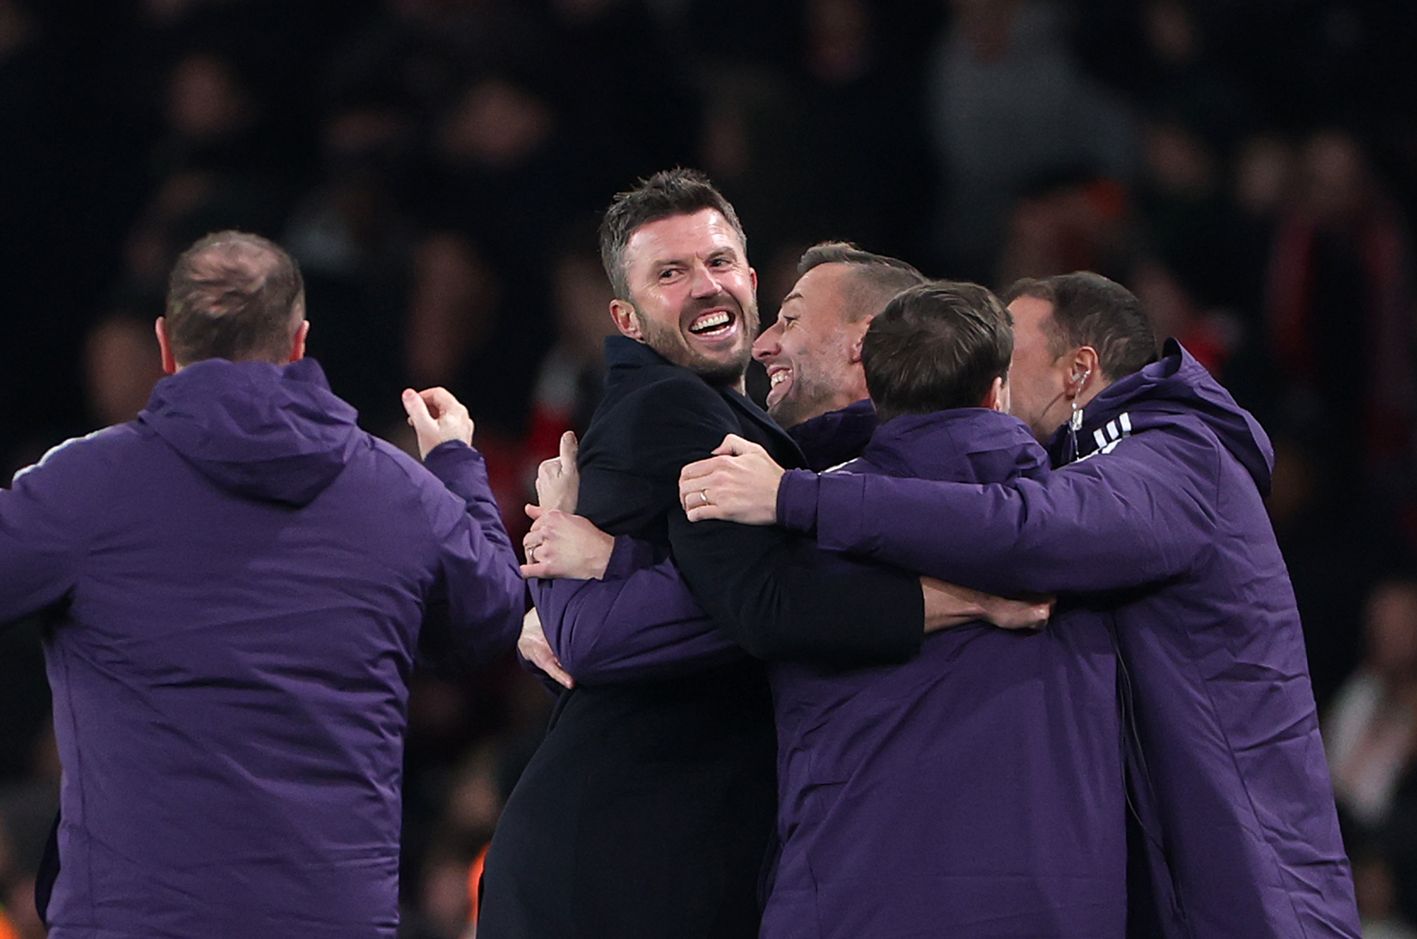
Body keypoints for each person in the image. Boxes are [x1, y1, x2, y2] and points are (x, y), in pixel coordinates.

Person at [681, 271, 1362, 938]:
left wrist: (793, 495)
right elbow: (935, 433)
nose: (995, 369)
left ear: (1078, 370)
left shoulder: (1179, 457)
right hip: (1182, 876)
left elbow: (1029, 528)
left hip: (1254, 889)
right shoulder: (1092, 462)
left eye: (1009, 345)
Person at [518, 258, 1121, 937]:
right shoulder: (1086, 521)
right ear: (996, 388)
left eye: (793, 317)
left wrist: (571, 579)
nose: (766, 341)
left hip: (851, 905)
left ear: (869, 345)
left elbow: (659, 624)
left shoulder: (804, 527)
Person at [477, 173, 996, 939]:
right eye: (670, 273)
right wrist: (958, 599)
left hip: (644, 853)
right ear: (626, 317)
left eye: (718, 262)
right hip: (627, 862)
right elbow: (761, 600)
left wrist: (610, 567)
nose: (703, 287)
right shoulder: (676, 406)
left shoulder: (756, 429)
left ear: (750, 279)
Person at [0, 231, 525, 938]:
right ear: (299, 342)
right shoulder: (399, 490)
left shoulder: (82, 488)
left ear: (165, 346)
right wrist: (455, 463)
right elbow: (492, 614)